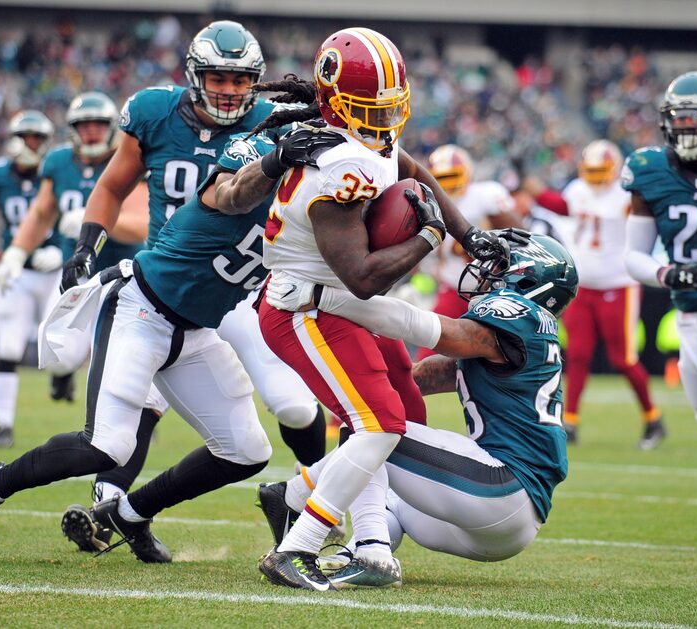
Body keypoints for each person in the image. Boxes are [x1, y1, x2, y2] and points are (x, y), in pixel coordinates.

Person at [0, 128, 341, 564]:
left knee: (247, 453)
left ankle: (131, 514)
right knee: (106, 445)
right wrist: (275, 161)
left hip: (197, 332)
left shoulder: (316, 200)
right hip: (141, 310)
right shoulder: (249, 167)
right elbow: (233, 195)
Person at [232, 27, 514, 591]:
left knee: (403, 411)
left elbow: (413, 171)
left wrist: (469, 235)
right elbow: (361, 278)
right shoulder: (337, 164)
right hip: (306, 307)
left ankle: (370, 545)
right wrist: (430, 236)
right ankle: (299, 545)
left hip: (337, 304)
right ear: (338, 104)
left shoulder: (368, 145)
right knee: (378, 422)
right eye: (369, 111)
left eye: (389, 110)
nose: (383, 124)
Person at [57, 21, 331, 551]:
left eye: (238, 78)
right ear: (194, 76)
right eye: (216, 77)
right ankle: (107, 505)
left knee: (296, 408)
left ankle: (313, 500)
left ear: (254, 80)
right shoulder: (156, 113)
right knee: (141, 403)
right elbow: (112, 186)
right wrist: (85, 247)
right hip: (167, 285)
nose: (228, 89)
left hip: (243, 289)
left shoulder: (275, 122)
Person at [259, 231, 575, 587]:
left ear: (528, 278)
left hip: (499, 488)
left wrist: (326, 298)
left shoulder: (523, 315)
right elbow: (424, 377)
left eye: (501, 264)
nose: (486, 270)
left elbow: (436, 331)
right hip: (507, 523)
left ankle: (308, 506)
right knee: (382, 479)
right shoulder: (522, 338)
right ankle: (363, 552)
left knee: (371, 427)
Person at [0, 92, 161, 551]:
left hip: (130, 284)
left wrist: (90, 223)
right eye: (83, 124)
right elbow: (38, 214)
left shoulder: (130, 157)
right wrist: (15, 252)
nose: (90, 131)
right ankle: (110, 501)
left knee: (139, 402)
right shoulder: (58, 164)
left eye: (97, 123)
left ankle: (107, 503)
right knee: (60, 356)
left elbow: (139, 223)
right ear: (72, 128)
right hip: (82, 280)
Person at [622, 71, 697, 523]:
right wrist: (672, 273)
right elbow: (634, 256)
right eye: (679, 118)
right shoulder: (650, 170)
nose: (687, 126)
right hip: (690, 310)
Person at [553, 140, 663, 448]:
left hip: (619, 284)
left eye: (601, 170)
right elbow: (560, 209)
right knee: (577, 354)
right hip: (583, 286)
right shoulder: (576, 190)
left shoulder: (626, 195)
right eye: (591, 170)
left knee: (623, 358)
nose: (596, 177)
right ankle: (570, 422)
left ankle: (652, 417)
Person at [0, 110, 57, 448]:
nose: (34, 144)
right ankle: (4, 425)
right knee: (7, 346)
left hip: (53, 271)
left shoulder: (56, 171)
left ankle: (62, 380)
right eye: (28, 137)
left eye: (39, 138)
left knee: (64, 348)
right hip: (16, 271)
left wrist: (62, 252)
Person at [415, 144, 523, 360]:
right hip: (453, 286)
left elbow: (518, 231)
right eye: (441, 177)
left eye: (452, 175)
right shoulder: (426, 201)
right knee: (427, 346)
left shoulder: (486, 194)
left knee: (505, 352)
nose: (447, 183)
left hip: (492, 289)